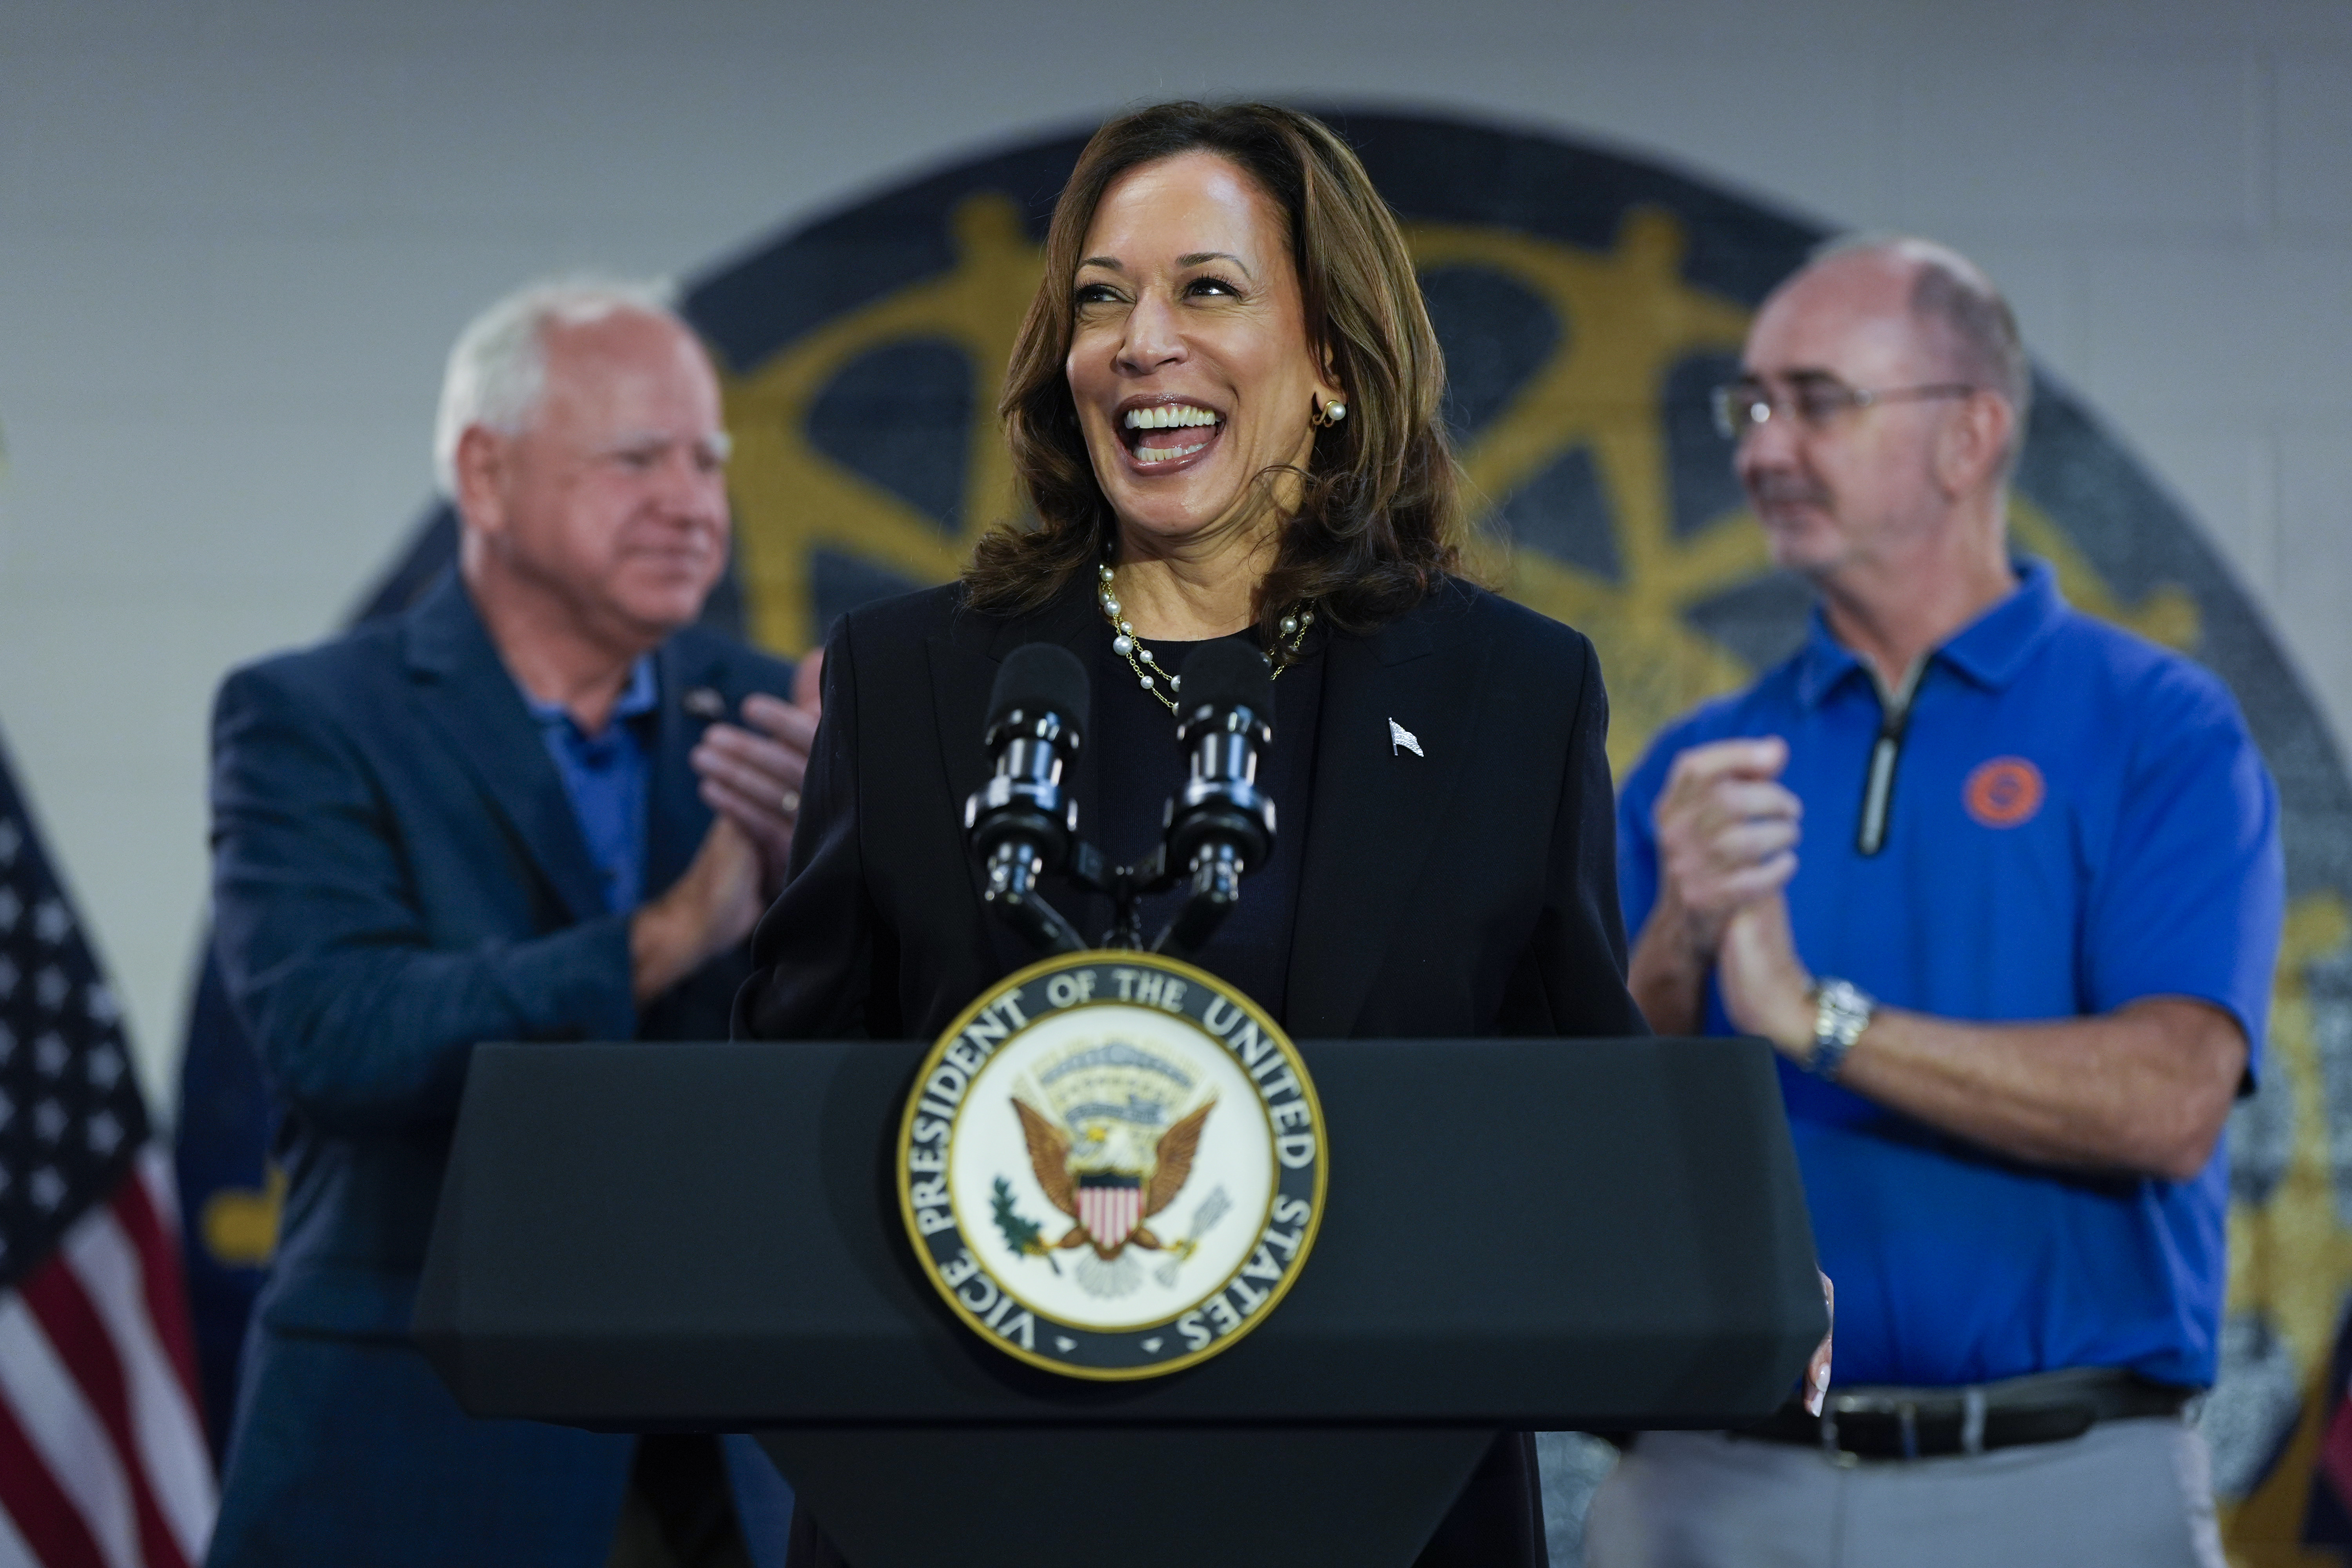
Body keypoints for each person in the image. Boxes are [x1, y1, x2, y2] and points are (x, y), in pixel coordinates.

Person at [734, 101, 1647, 1567]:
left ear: (1335, 361)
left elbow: (1583, 1106)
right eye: (1103, 300)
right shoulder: (912, 676)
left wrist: (1717, 1256)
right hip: (968, 1502)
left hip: (1373, 1504)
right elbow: (787, 1103)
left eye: (1207, 290)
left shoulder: (1509, 692)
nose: (1141, 342)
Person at [1588, 237, 2285, 1566]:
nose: (1763, 450)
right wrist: (1678, 940)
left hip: (2061, 1486)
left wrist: (1817, 1019)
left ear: (1971, 436)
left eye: (1817, 401)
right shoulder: (1699, 766)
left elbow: (2170, 1101)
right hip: (1715, 1487)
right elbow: (1598, 1146)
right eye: (1749, 406)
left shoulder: (2158, 727)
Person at [206, 279, 818, 1567]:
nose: (695, 503)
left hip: (730, 1463)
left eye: (708, 459)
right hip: (416, 1451)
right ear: (483, 475)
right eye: (637, 458)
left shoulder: (784, 726)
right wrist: (666, 937)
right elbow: (339, 1036)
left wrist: (862, 895)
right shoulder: (312, 720)